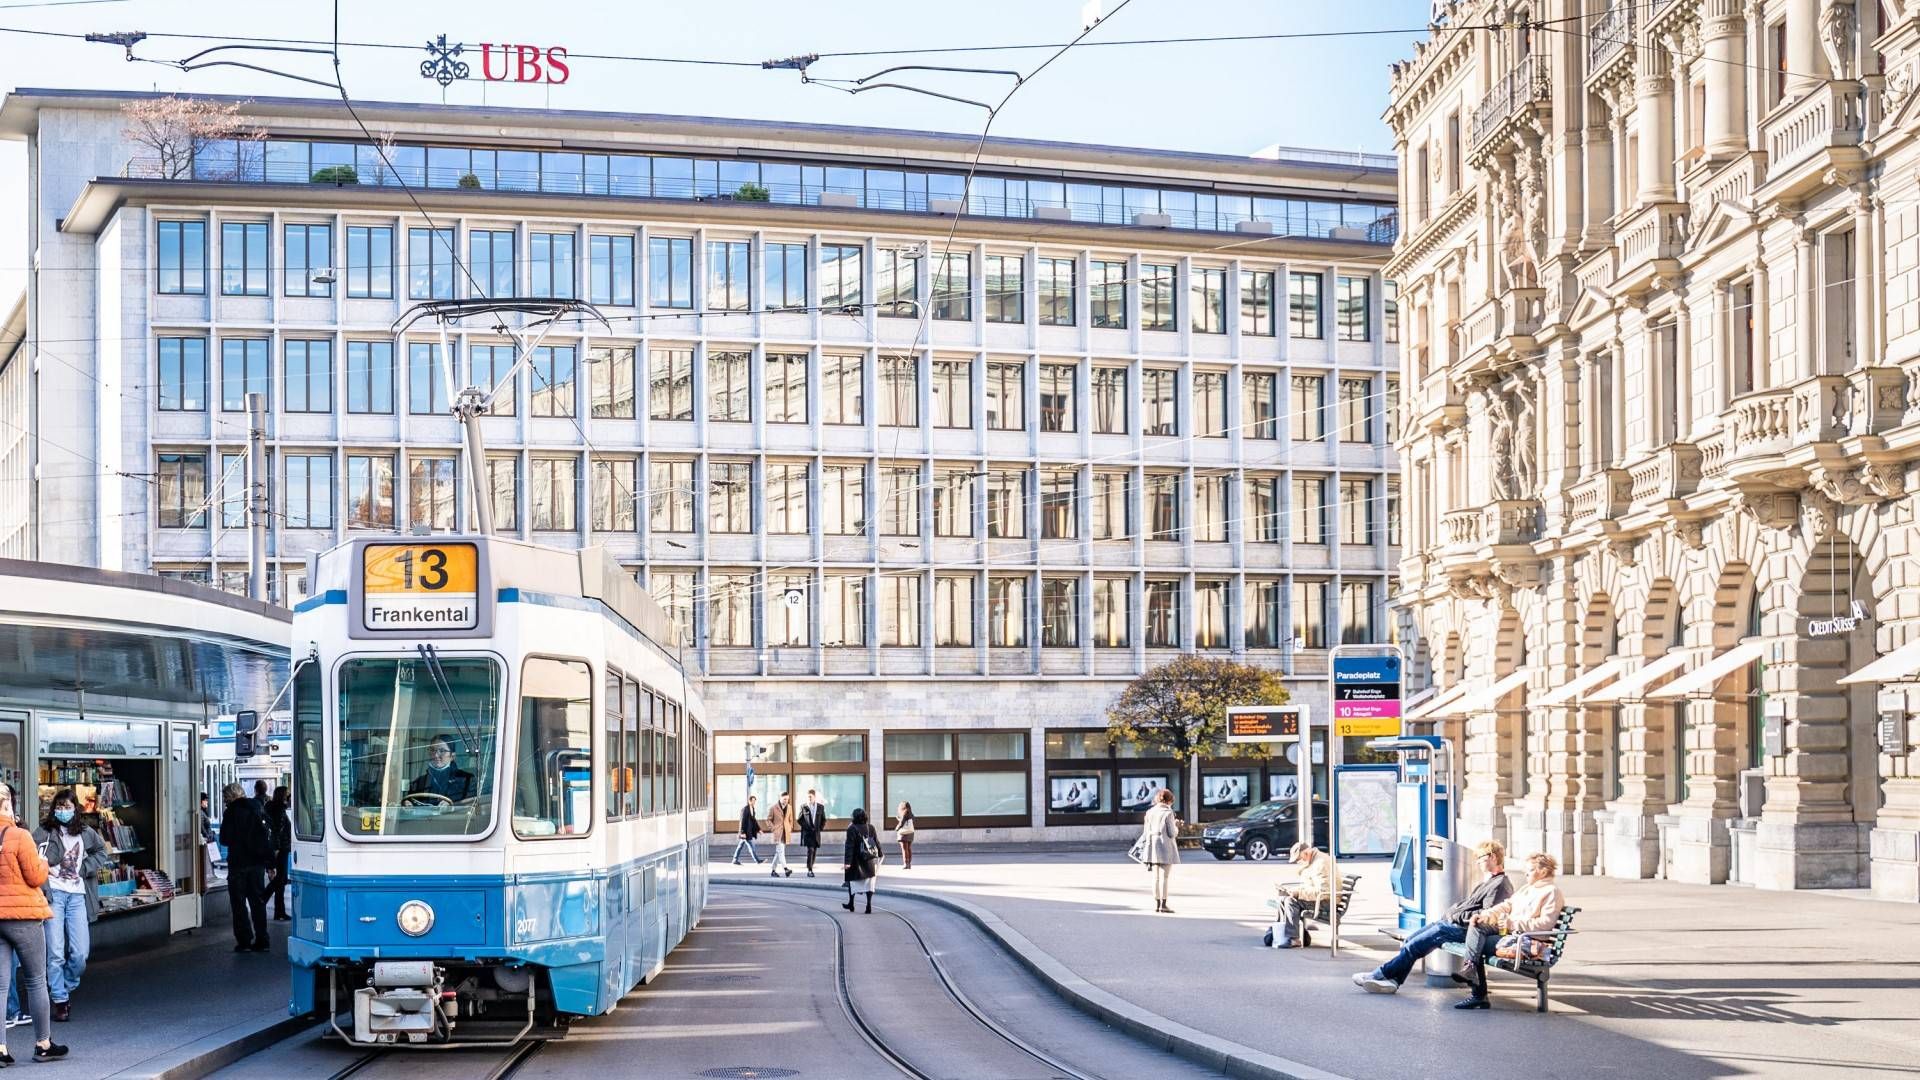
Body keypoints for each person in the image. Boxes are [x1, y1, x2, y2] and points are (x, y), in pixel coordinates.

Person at [1353, 840, 1512, 994]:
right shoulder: (1488, 881)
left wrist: (1456, 915)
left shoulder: (1499, 884)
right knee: (1410, 941)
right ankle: (1394, 981)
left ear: (1492, 857)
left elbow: (1486, 915)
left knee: (1417, 944)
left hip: (1465, 929)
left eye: (1480, 858)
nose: (1478, 863)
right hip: (1453, 924)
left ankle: (1380, 974)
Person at [0, 783, 68, 1064]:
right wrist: (41, 862)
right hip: (24, 918)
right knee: (36, 980)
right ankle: (43, 1044)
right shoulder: (19, 835)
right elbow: (35, 877)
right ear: (7, 804)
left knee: (0, 986)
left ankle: (1, 1049)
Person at [1455, 852, 1566, 1011]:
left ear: (1542, 871)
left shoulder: (1551, 892)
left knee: (1476, 945)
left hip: (1526, 941)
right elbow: (1506, 905)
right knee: (1477, 926)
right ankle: (1470, 968)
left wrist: (1512, 923)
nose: (1525, 873)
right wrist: (1484, 915)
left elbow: (1545, 925)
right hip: (1511, 935)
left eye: (1530, 870)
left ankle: (1477, 993)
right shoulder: (1527, 888)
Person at [33, 790, 108, 1023]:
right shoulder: (44, 831)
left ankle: (63, 986)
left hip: (77, 895)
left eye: (67, 807)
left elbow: (101, 851)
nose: (63, 811)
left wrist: (84, 868)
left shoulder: (86, 833)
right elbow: (34, 859)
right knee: (55, 952)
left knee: (80, 953)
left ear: (76, 809)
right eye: (60, 806)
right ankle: (60, 999)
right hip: (54, 894)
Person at [219, 782, 272, 953]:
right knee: (258, 903)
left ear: (230, 797)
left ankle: (244, 941)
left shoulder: (231, 812)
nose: (224, 800)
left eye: (225, 797)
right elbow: (266, 837)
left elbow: (224, 839)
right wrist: (270, 864)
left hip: (238, 865)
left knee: (239, 904)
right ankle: (263, 939)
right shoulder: (257, 807)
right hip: (257, 865)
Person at [1273, 842, 1332, 945]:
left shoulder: (1320, 863)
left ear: (1306, 853)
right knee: (1283, 899)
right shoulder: (1313, 861)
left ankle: (1293, 938)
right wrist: (1294, 890)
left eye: (1298, 859)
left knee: (1291, 901)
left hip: (1326, 901)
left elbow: (1323, 892)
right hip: (1320, 897)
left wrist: (1298, 893)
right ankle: (1282, 934)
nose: (1298, 863)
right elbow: (1310, 885)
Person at [1139, 788, 1180, 914]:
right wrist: (1177, 826)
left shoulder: (1150, 812)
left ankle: (1156, 904)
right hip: (1165, 846)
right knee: (1165, 877)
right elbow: (1172, 833)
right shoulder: (1168, 813)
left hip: (1152, 846)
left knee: (1155, 877)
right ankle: (1163, 904)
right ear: (1169, 801)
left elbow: (1145, 832)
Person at [407, 735, 476, 803]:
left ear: (452, 756)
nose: (436, 755)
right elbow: (411, 803)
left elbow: (471, 805)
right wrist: (408, 805)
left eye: (442, 751)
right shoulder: (418, 782)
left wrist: (453, 806)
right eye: (432, 750)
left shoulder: (468, 780)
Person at [841, 807, 881, 914]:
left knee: (852, 882)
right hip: (869, 860)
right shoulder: (870, 827)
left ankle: (851, 903)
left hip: (856, 861)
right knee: (869, 884)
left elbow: (849, 847)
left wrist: (847, 863)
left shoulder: (851, 828)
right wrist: (880, 854)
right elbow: (876, 842)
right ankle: (868, 905)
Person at [264, 786, 293, 921]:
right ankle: (263, 899)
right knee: (279, 880)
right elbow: (279, 832)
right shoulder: (280, 810)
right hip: (281, 849)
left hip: (279, 849)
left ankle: (279, 911)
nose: (289, 797)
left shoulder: (271, 808)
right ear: (283, 796)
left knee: (280, 881)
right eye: (287, 794)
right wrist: (276, 849)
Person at [797, 790, 826, 878]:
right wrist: (807, 827)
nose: (809, 798)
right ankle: (810, 869)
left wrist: (820, 828)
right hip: (808, 833)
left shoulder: (820, 807)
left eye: (810, 797)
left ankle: (811, 866)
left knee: (814, 851)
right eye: (808, 797)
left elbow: (823, 819)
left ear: (814, 797)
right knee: (811, 850)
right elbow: (799, 819)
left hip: (816, 833)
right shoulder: (804, 807)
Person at [766, 792, 793, 879]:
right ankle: (786, 869)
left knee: (778, 853)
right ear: (780, 798)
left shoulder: (789, 807)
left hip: (786, 833)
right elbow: (768, 820)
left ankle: (773, 870)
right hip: (778, 833)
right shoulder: (773, 808)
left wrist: (790, 828)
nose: (786, 801)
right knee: (781, 851)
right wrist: (773, 828)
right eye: (785, 799)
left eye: (787, 799)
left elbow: (790, 819)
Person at [730, 796, 762, 865]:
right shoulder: (745, 809)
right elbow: (742, 821)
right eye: (753, 801)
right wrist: (742, 832)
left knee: (740, 846)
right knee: (751, 846)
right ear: (749, 801)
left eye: (754, 801)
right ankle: (757, 860)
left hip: (749, 831)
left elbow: (754, 821)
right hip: (746, 832)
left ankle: (735, 859)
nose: (754, 802)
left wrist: (759, 829)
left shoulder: (752, 809)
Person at [894, 802, 916, 870]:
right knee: (909, 848)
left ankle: (905, 864)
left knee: (904, 849)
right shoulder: (911, 814)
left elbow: (901, 823)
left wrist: (896, 828)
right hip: (910, 832)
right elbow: (912, 821)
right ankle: (909, 863)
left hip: (904, 833)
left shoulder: (904, 812)